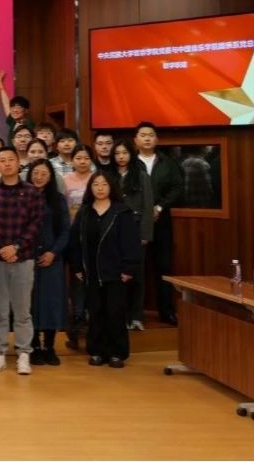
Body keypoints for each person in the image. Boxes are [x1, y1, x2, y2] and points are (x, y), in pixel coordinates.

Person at [0, 147, 44, 376]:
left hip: (23, 258)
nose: (7, 163)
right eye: (2, 160)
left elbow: (36, 224)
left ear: (19, 163)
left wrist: (16, 247)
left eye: (11, 160)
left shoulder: (32, 192)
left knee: (22, 311)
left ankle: (24, 354)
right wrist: (2, 248)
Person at [68, 171, 141, 368]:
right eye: (96, 184)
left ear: (111, 187)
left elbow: (131, 243)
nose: (100, 188)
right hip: (91, 271)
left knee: (115, 312)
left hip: (116, 272)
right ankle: (96, 351)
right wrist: (77, 265)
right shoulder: (84, 212)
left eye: (104, 184)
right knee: (95, 312)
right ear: (90, 188)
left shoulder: (121, 212)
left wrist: (129, 268)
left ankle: (117, 353)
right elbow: (75, 241)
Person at [133, 122, 183, 326]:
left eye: (151, 135)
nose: (147, 138)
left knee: (163, 266)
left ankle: (166, 311)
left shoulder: (167, 162)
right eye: (143, 135)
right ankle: (134, 314)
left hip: (161, 221)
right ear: (135, 140)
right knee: (136, 267)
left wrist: (160, 207)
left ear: (157, 139)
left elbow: (177, 187)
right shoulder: (130, 162)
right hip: (136, 223)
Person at [26, 159, 70, 366]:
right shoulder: (23, 197)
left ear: (51, 176)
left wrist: (53, 252)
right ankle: (34, 346)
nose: (39, 177)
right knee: (31, 303)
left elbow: (65, 230)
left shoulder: (58, 199)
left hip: (52, 258)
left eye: (43, 173)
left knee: (51, 302)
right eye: (35, 173)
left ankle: (50, 346)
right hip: (28, 257)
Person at [112, 139, 154, 331]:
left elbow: (148, 206)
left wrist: (145, 234)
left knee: (137, 275)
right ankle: (120, 316)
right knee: (117, 275)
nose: (121, 157)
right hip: (115, 230)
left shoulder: (141, 175)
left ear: (131, 154)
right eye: (117, 153)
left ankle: (136, 316)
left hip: (136, 229)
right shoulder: (109, 176)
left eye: (124, 153)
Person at [64, 143, 95, 347]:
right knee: (76, 278)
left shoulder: (97, 179)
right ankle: (76, 321)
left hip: (93, 235)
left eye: (86, 158)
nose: (82, 161)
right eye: (78, 158)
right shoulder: (65, 180)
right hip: (71, 235)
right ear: (72, 160)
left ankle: (92, 322)